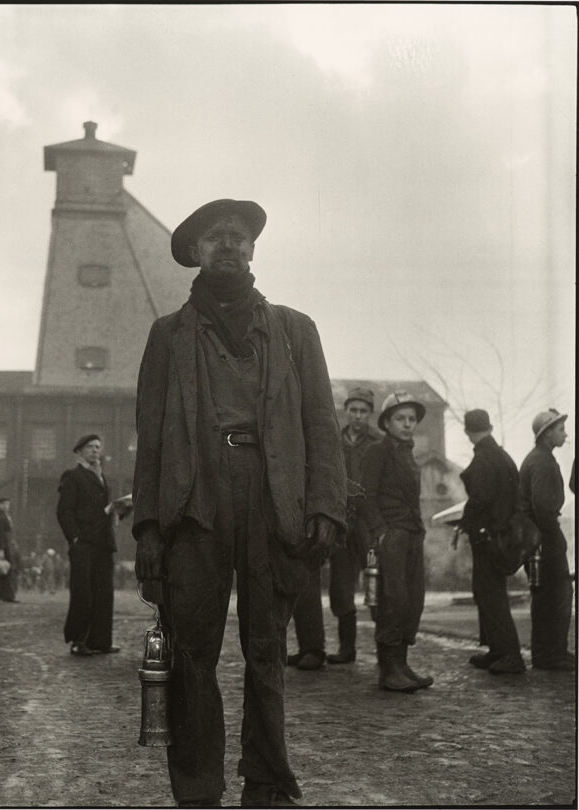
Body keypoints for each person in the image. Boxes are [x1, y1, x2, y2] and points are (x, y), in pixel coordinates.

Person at [133, 199, 347, 808]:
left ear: (253, 249)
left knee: (266, 650)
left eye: (238, 237)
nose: (227, 245)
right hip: (194, 502)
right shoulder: (168, 335)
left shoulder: (295, 330)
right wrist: (148, 525)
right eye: (213, 238)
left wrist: (325, 505)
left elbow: (320, 425)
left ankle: (268, 780)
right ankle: (199, 788)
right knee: (192, 649)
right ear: (195, 253)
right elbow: (150, 433)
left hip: (273, 495)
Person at [361, 391, 433, 693]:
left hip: (411, 534)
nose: (407, 424)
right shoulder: (378, 451)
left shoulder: (407, 453)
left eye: (411, 419)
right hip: (391, 535)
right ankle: (388, 669)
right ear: (387, 423)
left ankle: (402, 664)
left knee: (413, 600)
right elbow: (365, 494)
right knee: (393, 599)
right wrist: (380, 531)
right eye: (400, 418)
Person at [458, 409, 525, 674]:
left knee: (489, 593)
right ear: (490, 427)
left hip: (488, 536)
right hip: (502, 535)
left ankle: (510, 654)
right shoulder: (501, 456)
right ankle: (498, 650)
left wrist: (465, 519)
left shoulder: (484, 457)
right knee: (490, 591)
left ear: (467, 432)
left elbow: (481, 498)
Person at [327, 387, 380, 664]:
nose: (358, 416)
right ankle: (347, 648)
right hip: (342, 524)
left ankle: (387, 651)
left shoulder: (378, 442)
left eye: (363, 411)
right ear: (346, 411)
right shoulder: (335, 439)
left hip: (369, 525)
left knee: (376, 582)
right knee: (341, 586)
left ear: (370, 414)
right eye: (353, 410)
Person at [519, 409, 574, 671]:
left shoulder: (539, 459)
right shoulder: (541, 462)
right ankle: (552, 655)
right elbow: (542, 506)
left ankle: (547, 653)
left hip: (537, 538)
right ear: (546, 433)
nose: (565, 434)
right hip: (544, 539)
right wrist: (554, 537)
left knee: (546, 596)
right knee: (557, 595)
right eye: (561, 429)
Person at [57, 434, 120, 656]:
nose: (96, 451)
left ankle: (101, 641)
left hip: (103, 543)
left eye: (98, 447)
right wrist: (74, 538)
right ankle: (78, 640)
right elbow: (64, 511)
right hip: (84, 543)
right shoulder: (73, 477)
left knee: (104, 593)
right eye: (91, 447)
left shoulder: (102, 477)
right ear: (80, 451)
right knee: (83, 592)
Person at [0, 497, 18, 604]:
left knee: (2, 570)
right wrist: (1, 549)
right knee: (0, 570)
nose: (7, 506)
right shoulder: (0, 517)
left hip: (3, 545)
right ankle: (1, 596)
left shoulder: (2, 516)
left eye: (8, 504)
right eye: (5, 504)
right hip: (2, 546)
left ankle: (2, 595)